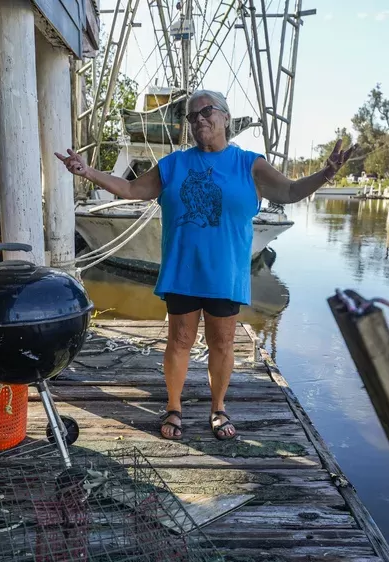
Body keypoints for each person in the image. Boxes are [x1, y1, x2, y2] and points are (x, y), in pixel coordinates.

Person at [56, 89, 355, 441]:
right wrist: (87, 172)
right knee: (179, 340)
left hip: (225, 275)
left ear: (226, 117)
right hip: (184, 270)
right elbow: (131, 190)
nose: (199, 119)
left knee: (223, 344)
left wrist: (325, 174)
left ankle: (218, 407)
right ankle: (173, 407)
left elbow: (289, 192)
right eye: (192, 116)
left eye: (207, 111)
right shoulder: (175, 164)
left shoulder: (249, 164)